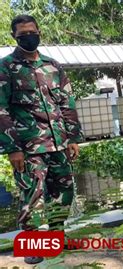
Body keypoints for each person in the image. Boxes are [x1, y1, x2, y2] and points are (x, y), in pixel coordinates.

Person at [0, 15, 83, 264]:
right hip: (27, 148)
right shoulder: (5, 68)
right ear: (14, 36)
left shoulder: (54, 66)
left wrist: (72, 137)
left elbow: (67, 104)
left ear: (40, 32)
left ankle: (56, 236)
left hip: (58, 143)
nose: (28, 36)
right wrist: (12, 148)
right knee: (32, 196)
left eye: (31, 32)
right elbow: (1, 110)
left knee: (63, 192)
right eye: (22, 33)